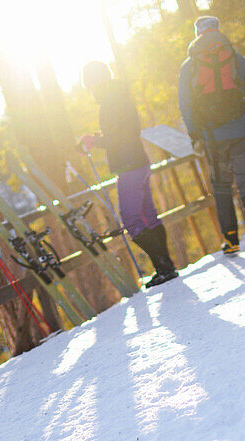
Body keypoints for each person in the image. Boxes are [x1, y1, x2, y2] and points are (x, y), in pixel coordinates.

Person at [178, 15, 245, 255]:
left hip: (211, 138)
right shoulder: (235, 58)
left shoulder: (189, 66)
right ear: (217, 29)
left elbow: (185, 105)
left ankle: (231, 241)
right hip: (239, 131)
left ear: (197, 32)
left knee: (221, 187)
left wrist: (195, 136)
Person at [80, 61, 178, 288]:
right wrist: (100, 137)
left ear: (95, 82)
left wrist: (95, 141)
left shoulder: (110, 103)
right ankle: (166, 267)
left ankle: (163, 266)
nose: (89, 90)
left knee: (131, 219)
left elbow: (117, 138)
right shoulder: (120, 97)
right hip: (139, 162)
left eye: (89, 84)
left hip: (129, 166)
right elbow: (123, 132)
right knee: (148, 214)